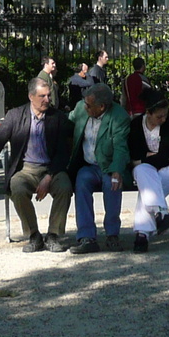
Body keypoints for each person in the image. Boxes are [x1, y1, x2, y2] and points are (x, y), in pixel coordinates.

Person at [0, 75, 74, 252]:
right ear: (31, 96)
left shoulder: (57, 117)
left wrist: (49, 176)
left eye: (48, 96)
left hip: (51, 169)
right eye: (42, 96)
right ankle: (34, 235)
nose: (47, 100)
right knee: (17, 187)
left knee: (65, 187)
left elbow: (63, 152)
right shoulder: (15, 115)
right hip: (26, 169)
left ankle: (53, 235)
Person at [67, 82, 129, 253]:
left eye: (89, 105)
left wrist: (117, 170)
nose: (85, 107)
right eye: (85, 103)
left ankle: (112, 235)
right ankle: (87, 237)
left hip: (109, 166)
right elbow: (67, 122)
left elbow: (120, 146)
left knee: (113, 184)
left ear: (102, 106)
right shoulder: (81, 108)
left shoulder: (118, 116)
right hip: (88, 165)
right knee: (81, 182)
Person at [128, 96, 169, 253]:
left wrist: (146, 158)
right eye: (159, 116)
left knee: (146, 186)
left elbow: (165, 154)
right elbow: (134, 152)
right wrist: (159, 156)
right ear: (148, 113)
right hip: (148, 170)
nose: (163, 119)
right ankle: (160, 213)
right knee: (143, 175)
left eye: (165, 115)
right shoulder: (135, 125)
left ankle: (143, 234)